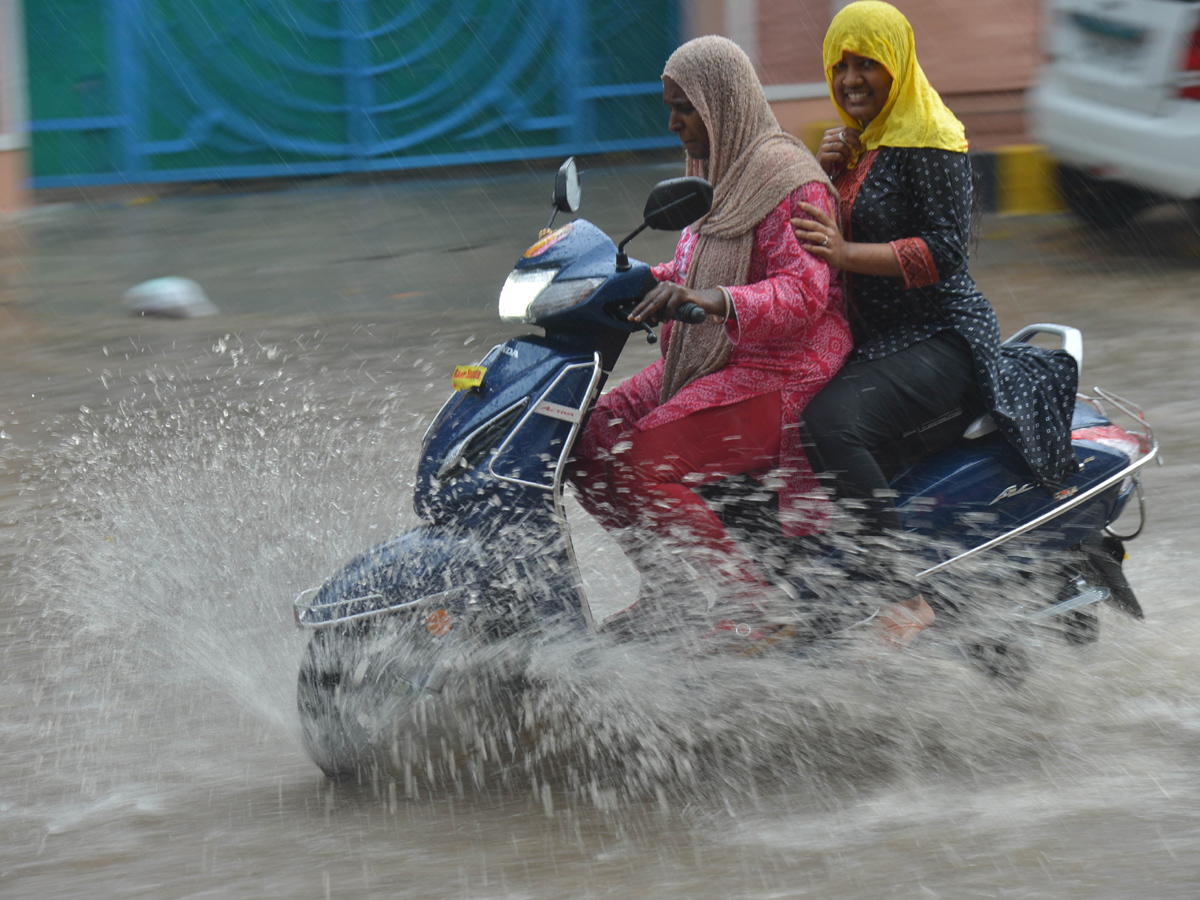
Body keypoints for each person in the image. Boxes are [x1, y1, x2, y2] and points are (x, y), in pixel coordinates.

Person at [790, 0, 1080, 639]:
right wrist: (831, 170)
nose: (851, 80)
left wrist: (842, 253)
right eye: (841, 65)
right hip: (883, 342)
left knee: (832, 424)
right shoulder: (865, 143)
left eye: (868, 64)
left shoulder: (932, 136)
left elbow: (944, 252)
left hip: (944, 338)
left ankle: (901, 596)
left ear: (898, 67)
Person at [568, 35, 851, 602]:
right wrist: (612, 283)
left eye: (684, 106)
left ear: (723, 101)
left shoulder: (789, 180)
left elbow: (804, 294)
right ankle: (673, 593)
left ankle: (747, 603)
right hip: (715, 353)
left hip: (786, 369)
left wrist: (715, 299)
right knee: (587, 440)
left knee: (644, 461)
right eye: (669, 106)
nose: (673, 122)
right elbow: (690, 263)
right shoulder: (716, 174)